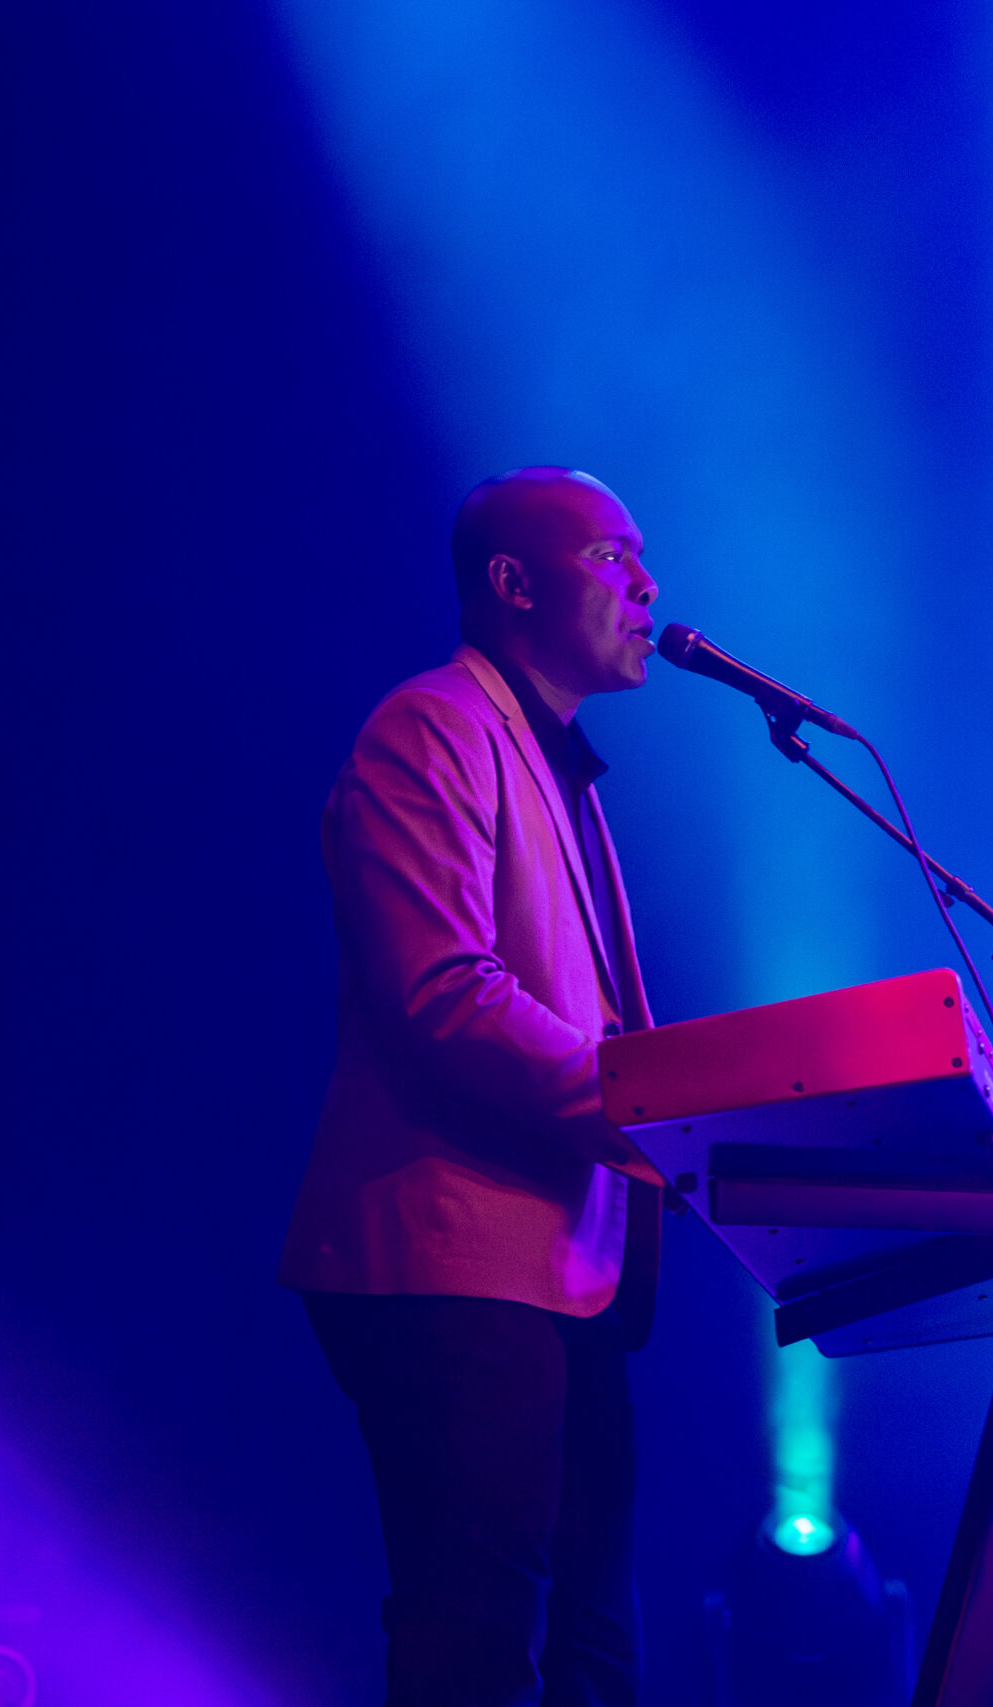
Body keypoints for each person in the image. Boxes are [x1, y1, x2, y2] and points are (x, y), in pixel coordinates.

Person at [281, 467, 666, 1706]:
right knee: (474, 1646)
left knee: (597, 1647)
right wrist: (650, 1105)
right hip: (455, 1262)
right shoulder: (429, 727)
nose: (647, 586)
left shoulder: (553, 763)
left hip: (562, 1269)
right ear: (513, 583)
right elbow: (444, 992)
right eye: (612, 557)